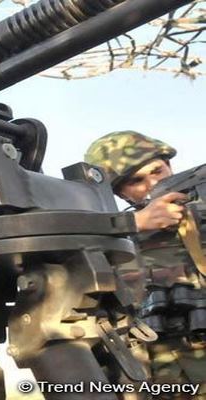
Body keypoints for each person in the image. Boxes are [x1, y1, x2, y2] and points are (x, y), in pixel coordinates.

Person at [85, 131, 205, 398]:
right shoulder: (112, 237)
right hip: (153, 380)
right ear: (119, 192)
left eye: (157, 171)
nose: (153, 183)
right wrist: (135, 224)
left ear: (169, 165)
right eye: (136, 181)